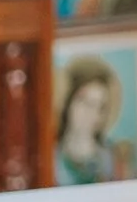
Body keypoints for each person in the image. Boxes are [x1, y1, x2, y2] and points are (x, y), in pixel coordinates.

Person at [55, 55, 132, 185]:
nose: (91, 113)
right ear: (68, 102)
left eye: (99, 106)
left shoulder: (112, 159)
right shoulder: (52, 158)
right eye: (85, 102)